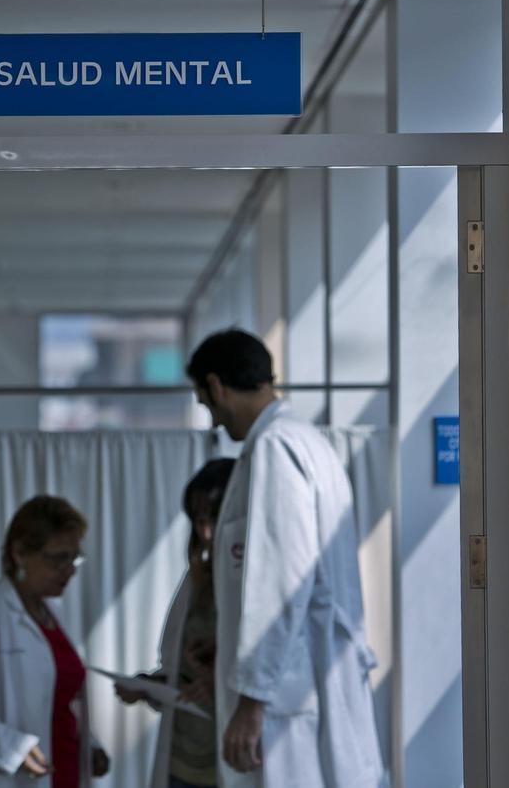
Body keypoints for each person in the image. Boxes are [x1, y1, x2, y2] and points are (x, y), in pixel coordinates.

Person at [186, 329, 385, 788]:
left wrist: (253, 699)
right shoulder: (305, 442)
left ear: (216, 386)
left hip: (289, 695)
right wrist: (230, 646)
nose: (214, 421)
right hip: (305, 678)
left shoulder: (276, 447)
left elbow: (283, 581)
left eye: (206, 404)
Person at [0, 495, 112, 787]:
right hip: (11, 775)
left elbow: (60, 701)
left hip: (64, 769)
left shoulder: (53, 612)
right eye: (58, 558)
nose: (70, 570)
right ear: (20, 553)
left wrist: (89, 744)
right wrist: (9, 747)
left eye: (74, 558)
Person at [115, 458, 236, 788]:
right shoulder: (197, 581)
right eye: (199, 520)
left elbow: (273, 677)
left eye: (215, 518)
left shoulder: (260, 585)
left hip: (231, 759)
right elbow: (179, 671)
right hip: (183, 761)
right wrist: (149, 686)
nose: (206, 533)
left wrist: (219, 686)